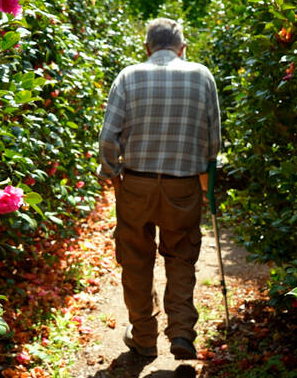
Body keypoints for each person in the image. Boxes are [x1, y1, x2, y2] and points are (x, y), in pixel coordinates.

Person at [98, 18, 221, 360]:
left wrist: (113, 175)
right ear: (183, 48)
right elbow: (213, 142)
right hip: (183, 185)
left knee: (136, 260)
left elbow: (108, 138)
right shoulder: (202, 76)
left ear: (148, 48)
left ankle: (144, 335)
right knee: (181, 256)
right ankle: (181, 332)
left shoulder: (129, 76)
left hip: (136, 182)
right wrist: (204, 178)